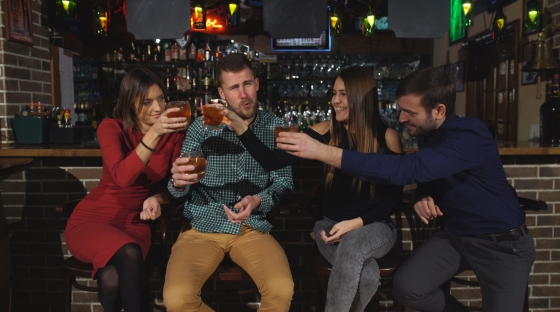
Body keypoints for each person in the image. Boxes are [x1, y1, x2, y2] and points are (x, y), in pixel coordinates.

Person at [276, 67, 535, 312]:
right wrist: (424, 194)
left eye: (410, 112)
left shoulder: (470, 136)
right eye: (401, 110)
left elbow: (406, 169)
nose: (401, 118)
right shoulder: (427, 133)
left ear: (439, 110)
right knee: (407, 288)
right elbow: (429, 173)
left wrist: (321, 151)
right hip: (457, 238)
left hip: (501, 243)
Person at [222, 66, 404, 312]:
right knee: (368, 272)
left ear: (362, 97)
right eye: (333, 93)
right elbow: (272, 161)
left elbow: (393, 200)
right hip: (329, 226)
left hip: (376, 227)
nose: (335, 100)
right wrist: (240, 127)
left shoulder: (388, 137)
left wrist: (356, 223)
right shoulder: (324, 130)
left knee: (352, 247)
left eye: (343, 94)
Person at [163, 53, 294, 312]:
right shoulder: (201, 127)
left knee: (282, 290)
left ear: (257, 84)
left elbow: (284, 183)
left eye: (247, 84)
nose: (243, 94)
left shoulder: (277, 126)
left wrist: (258, 200)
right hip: (202, 225)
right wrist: (177, 184)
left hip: (251, 226)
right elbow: (178, 188)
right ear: (222, 93)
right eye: (234, 88)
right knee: (177, 298)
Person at [64, 67, 188, 312]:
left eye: (161, 98)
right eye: (148, 101)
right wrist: (154, 133)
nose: (158, 108)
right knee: (128, 255)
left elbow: (174, 186)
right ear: (130, 103)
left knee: (111, 279)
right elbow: (122, 176)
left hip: (135, 222)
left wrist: (158, 199)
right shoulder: (111, 127)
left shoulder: (174, 135)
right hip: (93, 219)